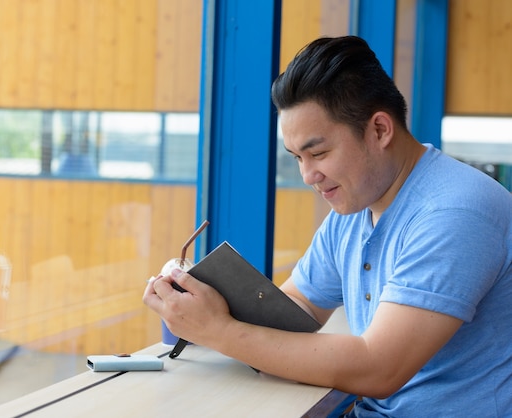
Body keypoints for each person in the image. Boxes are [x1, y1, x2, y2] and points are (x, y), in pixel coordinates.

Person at [143, 36, 512, 416]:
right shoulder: (353, 211)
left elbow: (379, 367)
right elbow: (297, 309)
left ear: (380, 130)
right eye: (297, 157)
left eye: (318, 153)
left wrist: (218, 330)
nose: (307, 175)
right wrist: (201, 299)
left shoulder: (456, 210)